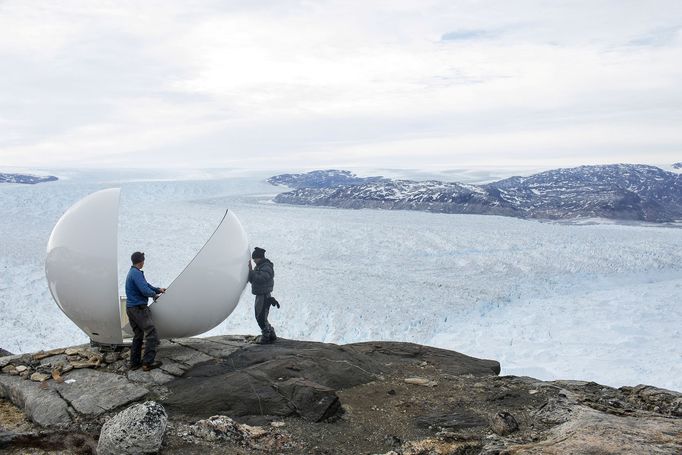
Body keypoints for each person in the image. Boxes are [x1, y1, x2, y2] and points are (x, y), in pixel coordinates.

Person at [125, 251, 166, 371]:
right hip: (139, 309)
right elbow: (144, 290)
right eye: (143, 260)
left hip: (131, 308)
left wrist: (158, 290)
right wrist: (154, 295)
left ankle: (134, 363)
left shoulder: (133, 272)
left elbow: (146, 285)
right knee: (151, 333)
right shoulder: (136, 273)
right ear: (141, 261)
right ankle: (147, 363)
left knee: (138, 335)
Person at [248, 247, 277, 344]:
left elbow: (261, 278)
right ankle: (271, 334)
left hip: (264, 295)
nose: (254, 260)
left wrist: (251, 272)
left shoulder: (266, 267)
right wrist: (251, 272)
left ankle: (266, 337)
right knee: (261, 316)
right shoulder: (260, 266)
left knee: (260, 317)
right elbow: (254, 280)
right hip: (260, 294)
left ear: (259, 257)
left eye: (255, 258)